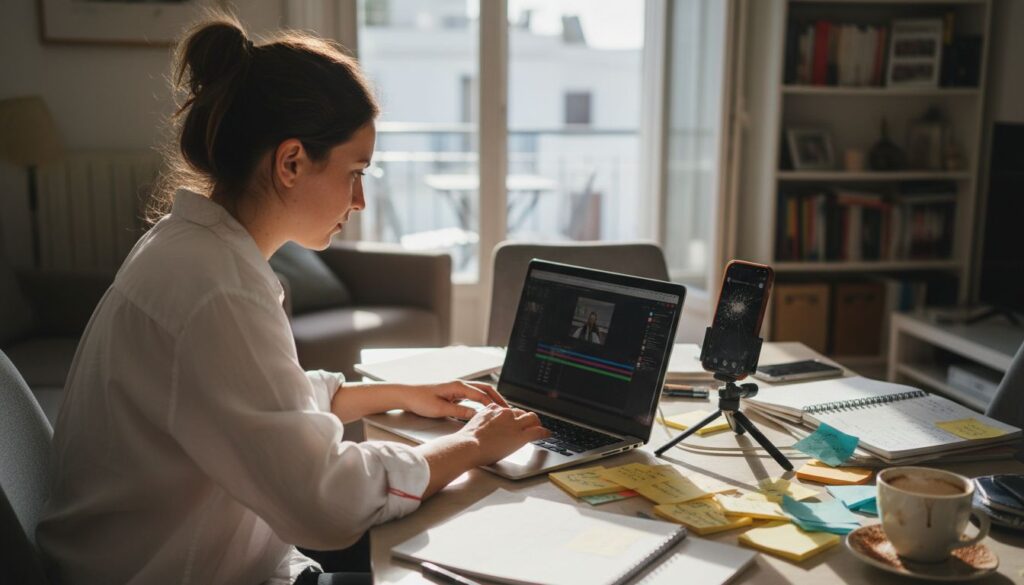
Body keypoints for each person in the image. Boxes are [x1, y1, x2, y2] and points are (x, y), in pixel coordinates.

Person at [35, 14, 548, 585]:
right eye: (355, 172)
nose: (360, 201)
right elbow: (326, 502)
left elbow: (254, 401)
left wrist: (393, 395)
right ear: (291, 162)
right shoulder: (216, 289)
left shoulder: (189, 247)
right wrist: (473, 444)